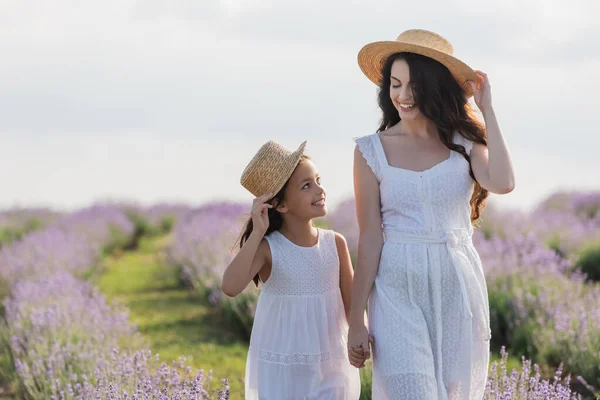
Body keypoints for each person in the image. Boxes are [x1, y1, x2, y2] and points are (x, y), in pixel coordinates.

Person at [347, 29, 515, 399]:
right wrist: (356, 318)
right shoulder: (370, 151)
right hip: (395, 291)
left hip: (456, 285)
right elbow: (371, 237)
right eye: (395, 84)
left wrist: (487, 110)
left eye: (414, 86)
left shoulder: (464, 142)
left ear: (436, 88)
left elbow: (503, 182)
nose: (403, 96)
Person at [221, 140, 361, 399]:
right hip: (283, 369)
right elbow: (229, 287)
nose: (320, 190)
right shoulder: (268, 248)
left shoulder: (335, 244)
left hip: (331, 365)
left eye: (318, 180)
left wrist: (359, 335)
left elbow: (352, 306)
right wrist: (257, 233)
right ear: (281, 205)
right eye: (307, 186)